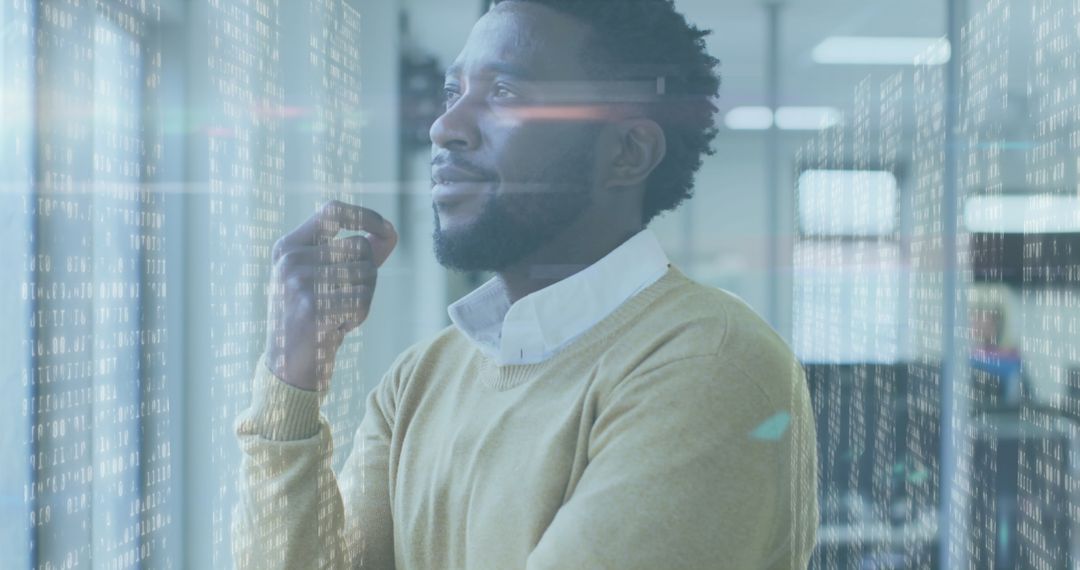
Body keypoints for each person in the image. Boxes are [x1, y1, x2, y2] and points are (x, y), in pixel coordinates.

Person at [232, 0, 818, 568]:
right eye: (452, 92)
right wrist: (293, 376)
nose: (445, 127)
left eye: (504, 92)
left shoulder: (706, 364)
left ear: (626, 152)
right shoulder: (419, 379)